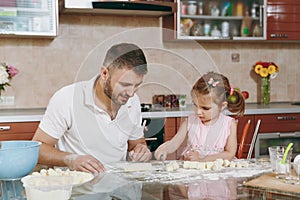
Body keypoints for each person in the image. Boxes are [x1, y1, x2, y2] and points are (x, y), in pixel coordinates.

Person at [32, 43, 152, 173]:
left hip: (118, 187)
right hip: (79, 189)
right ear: (105, 73)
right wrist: (72, 159)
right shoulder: (67, 98)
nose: (131, 93)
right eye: (124, 84)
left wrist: (142, 151)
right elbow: (38, 149)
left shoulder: (132, 101)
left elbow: (136, 143)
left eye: (137, 85)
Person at [155, 71, 245, 162]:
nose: (198, 112)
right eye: (195, 104)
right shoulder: (190, 121)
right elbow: (174, 143)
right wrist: (164, 149)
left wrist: (202, 159)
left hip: (218, 172)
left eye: (205, 108)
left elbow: (230, 154)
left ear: (222, 106)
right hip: (194, 172)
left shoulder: (229, 124)